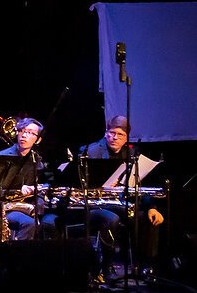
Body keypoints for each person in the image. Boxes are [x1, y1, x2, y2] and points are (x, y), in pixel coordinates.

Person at [43, 115, 165, 281]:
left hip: (120, 202)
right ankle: (106, 267)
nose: (114, 137)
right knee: (111, 218)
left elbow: (138, 185)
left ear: (127, 138)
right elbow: (77, 184)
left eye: (120, 135)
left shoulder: (132, 153)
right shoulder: (90, 151)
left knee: (149, 218)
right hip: (96, 205)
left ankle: (145, 266)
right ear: (106, 133)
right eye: (111, 133)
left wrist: (152, 207)